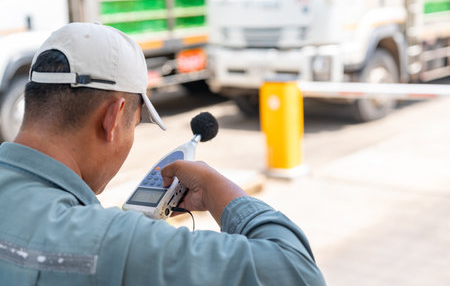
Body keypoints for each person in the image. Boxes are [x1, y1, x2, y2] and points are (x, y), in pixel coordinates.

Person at [0, 22, 326, 285]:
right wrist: (218, 191)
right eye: (136, 123)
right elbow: (296, 272)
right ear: (113, 119)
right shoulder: (114, 241)